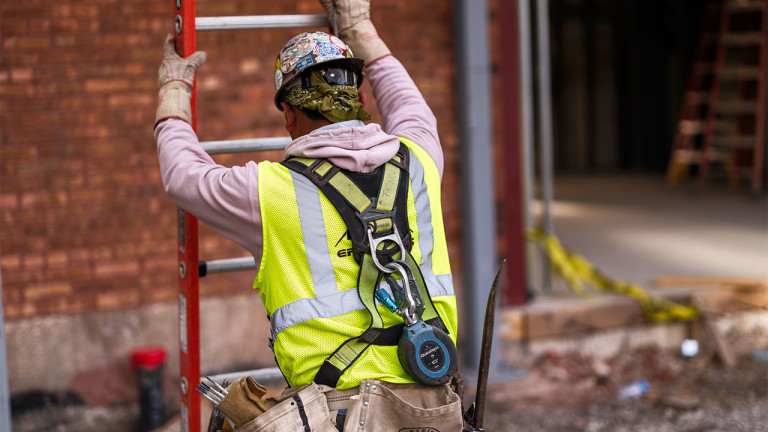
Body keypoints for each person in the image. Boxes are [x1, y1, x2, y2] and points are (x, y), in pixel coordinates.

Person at [154, 0, 463, 430]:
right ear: (357, 98)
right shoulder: (422, 159)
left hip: (334, 414)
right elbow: (410, 107)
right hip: (434, 400)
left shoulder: (267, 192)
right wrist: (362, 29)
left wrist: (173, 88)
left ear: (289, 114)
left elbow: (182, 175)